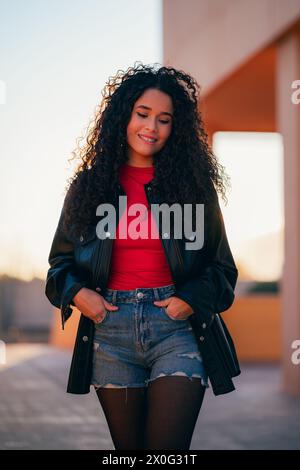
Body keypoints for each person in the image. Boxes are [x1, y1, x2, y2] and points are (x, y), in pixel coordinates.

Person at [45, 62, 240, 450]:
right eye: (143, 114)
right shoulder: (90, 187)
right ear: (124, 117)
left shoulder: (194, 189)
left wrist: (187, 301)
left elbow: (223, 270)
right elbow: (59, 268)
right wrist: (82, 297)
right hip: (110, 332)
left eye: (164, 119)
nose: (151, 127)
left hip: (176, 330)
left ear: (176, 128)